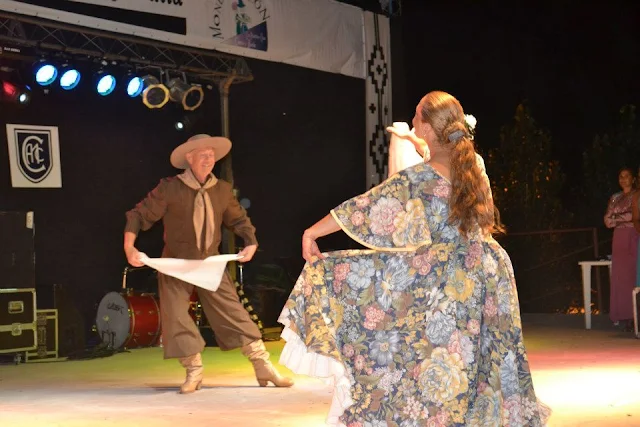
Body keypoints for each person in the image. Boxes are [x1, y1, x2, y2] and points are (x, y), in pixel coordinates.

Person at [278, 91, 550, 426]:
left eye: (417, 116)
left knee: (443, 357)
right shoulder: (474, 166)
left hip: (452, 277)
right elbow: (479, 213)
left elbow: (364, 208)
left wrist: (312, 232)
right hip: (490, 271)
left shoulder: (418, 178)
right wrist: (421, 145)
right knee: (483, 360)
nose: (413, 120)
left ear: (427, 128)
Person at [124, 134, 293, 393]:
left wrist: (250, 241)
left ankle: (263, 366)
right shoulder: (170, 187)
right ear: (189, 158)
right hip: (176, 264)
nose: (208, 159)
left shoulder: (222, 189)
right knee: (176, 315)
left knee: (234, 312)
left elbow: (239, 220)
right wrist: (129, 246)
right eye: (203, 154)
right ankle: (194, 370)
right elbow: (138, 214)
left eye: (211, 155)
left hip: (210, 263)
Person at [606, 167, 638, 332]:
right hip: (618, 238)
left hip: (632, 236)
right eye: (621, 176)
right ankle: (623, 315)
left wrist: (616, 218)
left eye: (627, 176)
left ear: (633, 179)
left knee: (631, 276)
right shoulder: (615, 197)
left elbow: (633, 216)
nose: (624, 179)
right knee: (619, 277)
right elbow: (607, 221)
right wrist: (620, 218)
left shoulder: (636, 195)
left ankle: (634, 316)